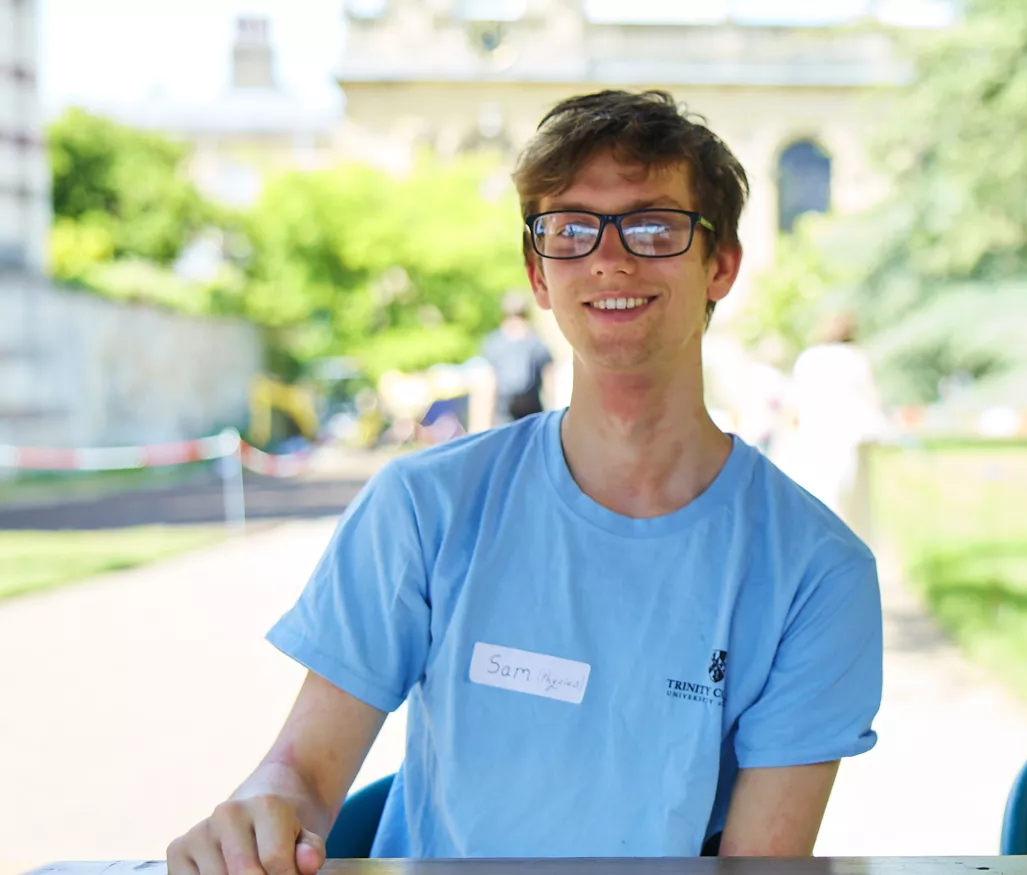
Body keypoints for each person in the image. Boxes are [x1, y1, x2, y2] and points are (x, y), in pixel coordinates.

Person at [165, 89, 883, 871]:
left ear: (721, 265)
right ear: (539, 275)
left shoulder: (818, 572)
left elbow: (758, 863)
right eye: (570, 229)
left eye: (653, 225)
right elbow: (300, 774)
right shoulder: (422, 509)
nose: (610, 257)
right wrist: (261, 814)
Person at [771, 310, 886, 521]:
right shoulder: (855, 358)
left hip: (814, 434)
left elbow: (793, 404)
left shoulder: (809, 358)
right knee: (849, 502)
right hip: (848, 437)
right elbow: (872, 398)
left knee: (821, 496)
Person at [475, 292, 555, 429]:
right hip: (534, 418)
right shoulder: (537, 343)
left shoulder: (493, 343)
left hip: (502, 418)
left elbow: (486, 387)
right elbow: (550, 384)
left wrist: (479, 426)